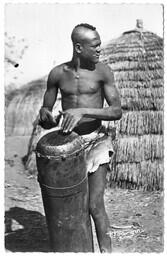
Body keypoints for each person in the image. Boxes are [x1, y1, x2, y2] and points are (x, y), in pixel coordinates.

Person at [39, 23, 122, 253]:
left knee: (95, 205)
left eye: (99, 45)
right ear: (78, 47)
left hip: (96, 141)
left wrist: (84, 112)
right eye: (94, 46)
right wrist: (46, 117)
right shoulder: (57, 74)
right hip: (68, 148)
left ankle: (107, 252)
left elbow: (116, 111)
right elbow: (46, 117)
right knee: (72, 208)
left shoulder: (103, 71)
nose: (99, 49)